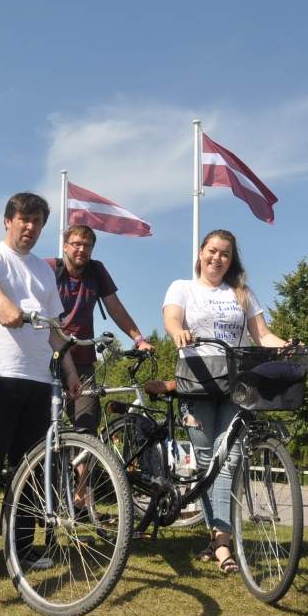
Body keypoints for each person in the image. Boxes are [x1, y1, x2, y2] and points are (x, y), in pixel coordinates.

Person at [0, 192, 80, 584]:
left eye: (37, 222)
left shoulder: (45, 271)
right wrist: (2, 304)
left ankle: (23, 547)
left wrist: (71, 368)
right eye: (23, 219)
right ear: (8, 221)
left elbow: (55, 328)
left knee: (29, 469)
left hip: (38, 380)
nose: (30, 227)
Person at [162, 229, 290, 574]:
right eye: (212, 251)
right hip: (197, 379)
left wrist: (286, 346)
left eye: (225, 254)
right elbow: (172, 317)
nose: (217, 258)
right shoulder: (183, 287)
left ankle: (221, 542)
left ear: (231, 260)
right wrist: (178, 332)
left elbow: (262, 334)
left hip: (234, 383)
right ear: (201, 253)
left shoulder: (242, 293)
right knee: (206, 463)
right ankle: (217, 538)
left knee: (229, 460)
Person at [48, 224, 154, 434]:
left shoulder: (96, 271)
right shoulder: (49, 268)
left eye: (87, 245)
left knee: (86, 425)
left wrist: (139, 339)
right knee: (42, 423)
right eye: (76, 244)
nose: (81, 250)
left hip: (83, 359)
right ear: (65, 246)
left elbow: (115, 308)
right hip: (47, 355)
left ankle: (84, 467)